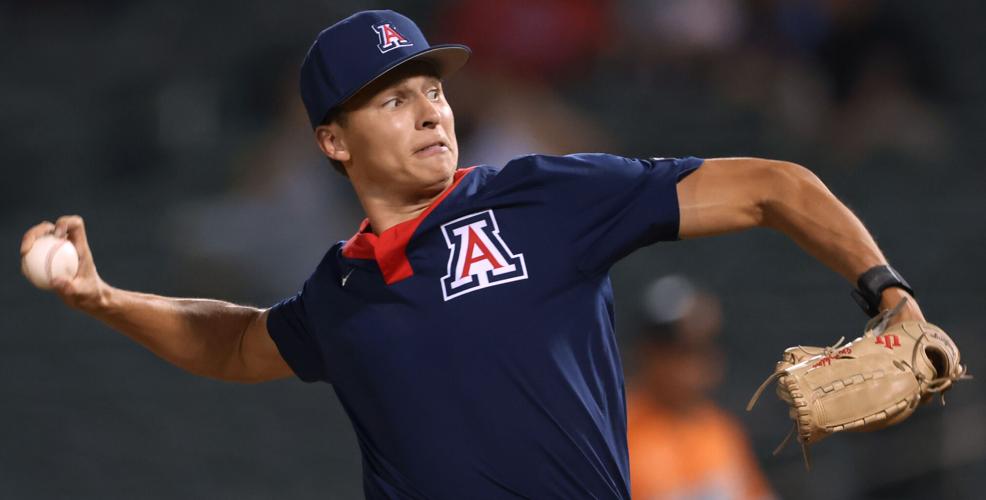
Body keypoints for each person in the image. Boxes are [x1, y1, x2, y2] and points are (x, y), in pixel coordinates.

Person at [20, 9, 929, 499]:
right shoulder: (340, 293)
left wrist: (888, 296)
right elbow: (237, 343)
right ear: (333, 142)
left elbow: (775, 184)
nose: (430, 109)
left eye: (432, 87)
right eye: (392, 99)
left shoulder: (537, 199)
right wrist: (106, 301)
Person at [626, 276, 774, 500]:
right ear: (647, 352)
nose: (696, 365)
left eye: (704, 348)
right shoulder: (617, 433)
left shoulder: (722, 431)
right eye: (682, 350)